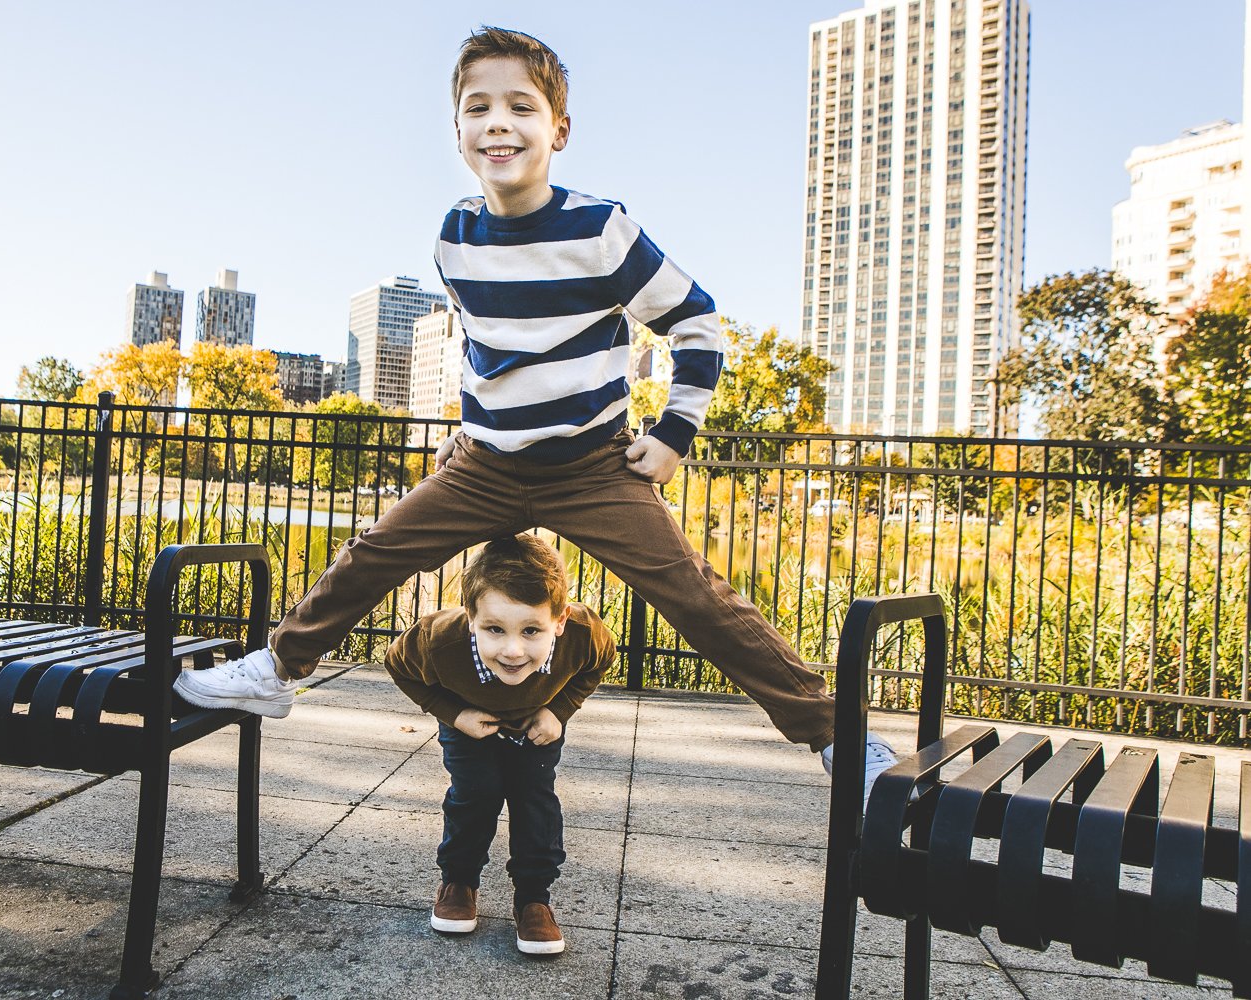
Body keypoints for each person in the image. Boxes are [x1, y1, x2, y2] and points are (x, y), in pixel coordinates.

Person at [175, 26, 898, 805]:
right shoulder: (455, 237)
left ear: (557, 129)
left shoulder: (598, 229)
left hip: (590, 468)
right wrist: (468, 429)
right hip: (485, 466)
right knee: (374, 553)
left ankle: (839, 738)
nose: (498, 123)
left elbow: (697, 323)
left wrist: (672, 436)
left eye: (521, 107)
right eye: (477, 107)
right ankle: (277, 670)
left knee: (696, 597)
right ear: (457, 132)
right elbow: (489, 349)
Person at [383, 533, 611, 954]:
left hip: (536, 722)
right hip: (470, 722)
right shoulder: (438, 641)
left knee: (535, 799)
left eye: (531, 630)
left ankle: (534, 900)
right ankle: (459, 882)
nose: (512, 649)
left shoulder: (581, 634)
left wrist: (558, 711)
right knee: (475, 794)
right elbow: (397, 665)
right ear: (471, 616)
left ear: (558, 621)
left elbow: (600, 660)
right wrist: (455, 715)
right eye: (494, 629)